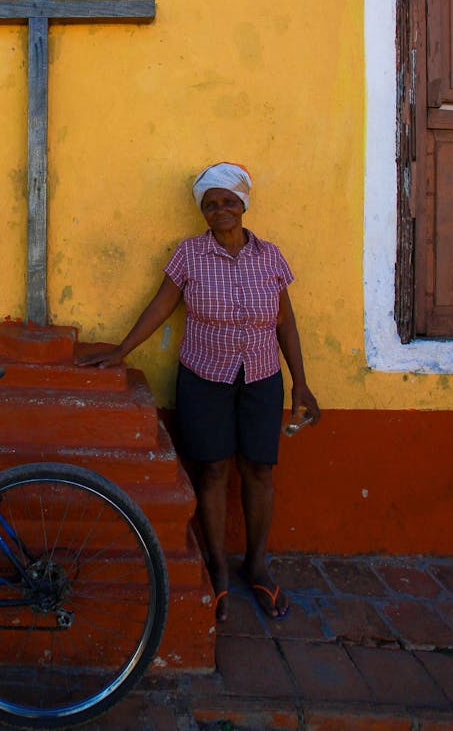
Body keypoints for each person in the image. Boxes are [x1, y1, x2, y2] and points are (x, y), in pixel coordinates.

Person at [77, 162, 320, 622]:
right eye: (211, 204)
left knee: (259, 470)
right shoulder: (190, 255)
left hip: (262, 378)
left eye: (229, 201)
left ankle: (256, 564)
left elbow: (285, 323)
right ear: (202, 212)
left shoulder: (270, 257)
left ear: (244, 204)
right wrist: (123, 349)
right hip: (205, 378)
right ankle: (216, 566)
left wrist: (301, 383)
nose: (220, 210)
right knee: (211, 471)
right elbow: (161, 304)